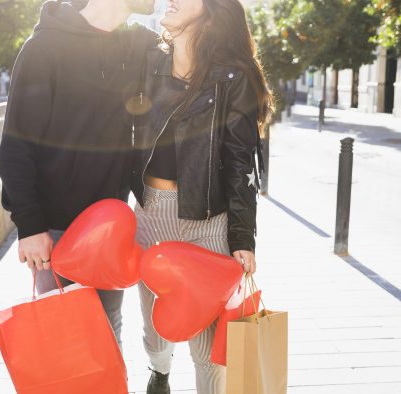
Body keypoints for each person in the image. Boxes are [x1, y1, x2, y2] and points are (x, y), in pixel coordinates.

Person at [130, 0, 272, 391]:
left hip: (207, 226)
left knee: (207, 350)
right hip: (150, 217)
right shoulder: (149, 61)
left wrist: (243, 238)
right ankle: (159, 373)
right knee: (155, 330)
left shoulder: (235, 77)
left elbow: (241, 165)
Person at [0, 0, 156, 348]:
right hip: (55, 230)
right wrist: (30, 225)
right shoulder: (43, 48)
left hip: (110, 227)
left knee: (107, 333)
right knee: (64, 342)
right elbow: (15, 148)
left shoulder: (137, 45)